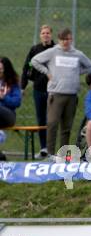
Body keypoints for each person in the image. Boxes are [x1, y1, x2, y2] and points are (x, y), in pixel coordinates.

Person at [31, 27, 91, 158]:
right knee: (52, 123)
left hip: (72, 95)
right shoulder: (53, 52)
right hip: (56, 94)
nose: (65, 42)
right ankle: (50, 154)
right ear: (59, 40)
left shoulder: (78, 54)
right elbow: (35, 61)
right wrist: (47, 73)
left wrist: (77, 72)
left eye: (68, 39)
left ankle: (63, 155)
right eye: (62, 40)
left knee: (66, 127)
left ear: (71, 39)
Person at [21, 24, 55, 159]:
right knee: (41, 118)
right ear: (40, 35)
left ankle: (52, 149)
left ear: (51, 35)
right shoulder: (35, 49)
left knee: (52, 120)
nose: (45, 35)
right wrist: (23, 87)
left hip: (54, 90)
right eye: (43, 33)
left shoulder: (56, 49)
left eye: (48, 33)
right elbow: (26, 68)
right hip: (39, 90)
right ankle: (44, 148)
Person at [0, 57, 21, 161]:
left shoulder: (12, 83)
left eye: (1, 69)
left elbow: (17, 102)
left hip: (8, 115)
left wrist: (4, 97)